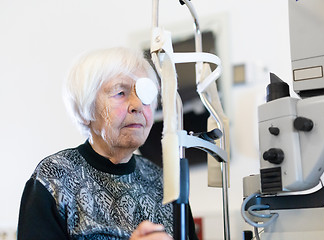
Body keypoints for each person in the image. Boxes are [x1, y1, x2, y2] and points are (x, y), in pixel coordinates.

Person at [17, 47, 198, 240]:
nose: (137, 106)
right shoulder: (54, 178)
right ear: (86, 109)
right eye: (120, 92)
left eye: (145, 94)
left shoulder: (164, 183)